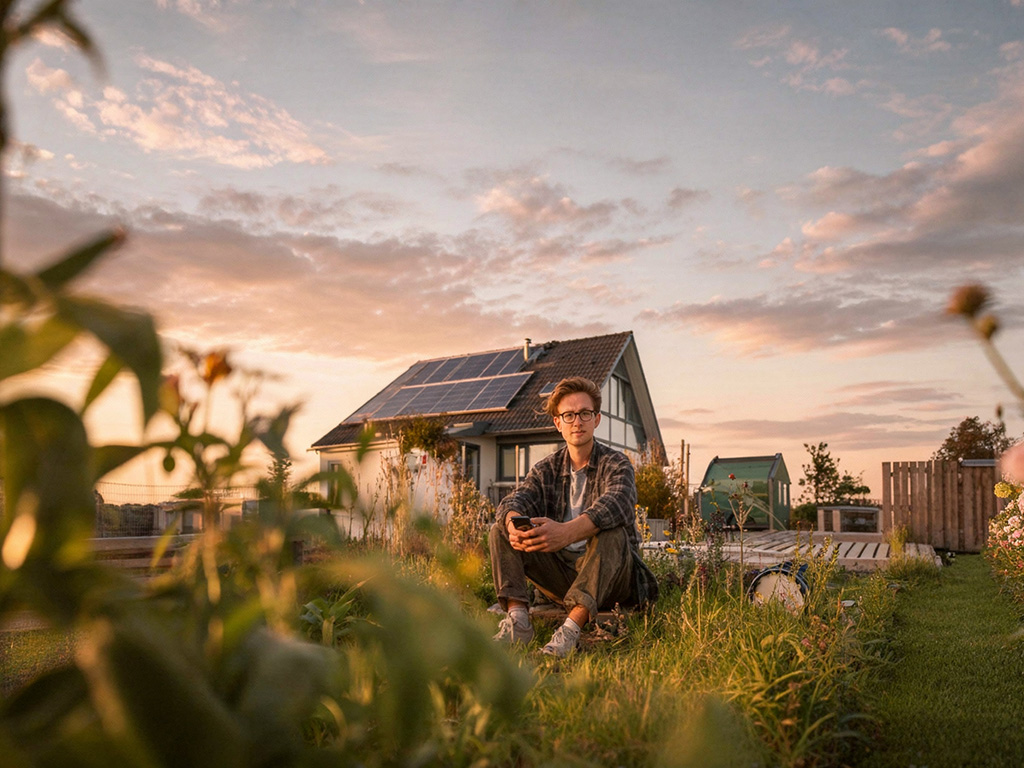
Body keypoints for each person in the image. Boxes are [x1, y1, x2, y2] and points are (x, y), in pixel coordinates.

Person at [489, 376, 659, 657]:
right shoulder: (546, 469)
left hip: (613, 579)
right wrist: (513, 522)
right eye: (569, 415)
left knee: (612, 531)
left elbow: (618, 503)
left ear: (597, 419)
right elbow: (512, 501)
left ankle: (569, 631)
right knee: (500, 529)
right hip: (563, 578)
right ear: (558, 423)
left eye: (584, 414)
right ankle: (518, 621)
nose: (577, 421)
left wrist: (566, 532)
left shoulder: (616, 463)